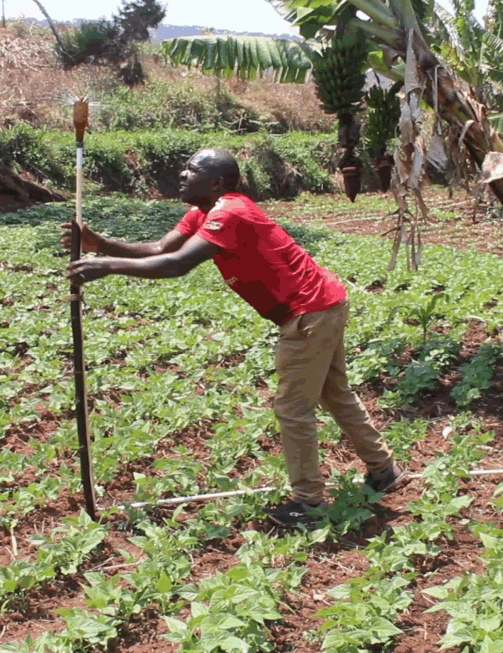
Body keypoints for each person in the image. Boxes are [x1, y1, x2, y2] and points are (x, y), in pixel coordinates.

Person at [63, 148, 407, 527]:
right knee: (335, 395)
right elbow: (161, 249)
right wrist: (100, 244)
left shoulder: (229, 213)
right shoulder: (204, 211)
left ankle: (308, 504)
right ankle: (383, 469)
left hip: (309, 312)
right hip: (321, 304)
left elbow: (177, 265)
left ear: (216, 182)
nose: (181, 173)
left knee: (293, 409)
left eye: (191, 169)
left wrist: (107, 267)